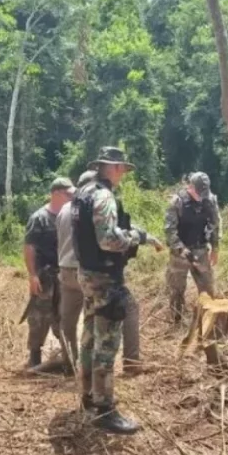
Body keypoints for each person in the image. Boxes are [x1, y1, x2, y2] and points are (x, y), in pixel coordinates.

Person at [72, 147, 160, 434]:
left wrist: (141, 234)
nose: (123, 173)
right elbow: (109, 240)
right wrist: (135, 237)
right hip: (105, 279)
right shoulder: (103, 195)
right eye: (121, 167)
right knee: (106, 345)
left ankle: (87, 397)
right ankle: (105, 410)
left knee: (88, 338)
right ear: (113, 168)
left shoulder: (82, 194)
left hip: (86, 274)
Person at [57, 171, 148, 376]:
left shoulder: (67, 210)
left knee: (73, 322)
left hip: (70, 271)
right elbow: (107, 237)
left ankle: (71, 364)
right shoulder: (100, 200)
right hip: (96, 272)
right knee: (116, 319)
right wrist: (135, 237)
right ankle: (129, 365)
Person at [23, 178, 75, 368]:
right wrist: (32, 275)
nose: (71, 197)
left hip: (64, 275)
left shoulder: (69, 216)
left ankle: (68, 356)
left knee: (64, 315)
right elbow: (29, 247)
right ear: (56, 193)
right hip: (44, 276)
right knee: (39, 316)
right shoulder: (39, 218)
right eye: (68, 194)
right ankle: (34, 356)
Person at [164, 172, 221, 324]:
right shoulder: (177, 202)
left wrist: (215, 248)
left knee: (207, 286)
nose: (201, 197)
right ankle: (177, 320)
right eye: (198, 193)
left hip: (201, 249)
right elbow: (170, 231)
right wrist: (182, 250)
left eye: (204, 193)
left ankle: (209, 320)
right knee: (177, 289)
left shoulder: (210, 200)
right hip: (180, 253)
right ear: (190, 187)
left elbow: (215, 225)